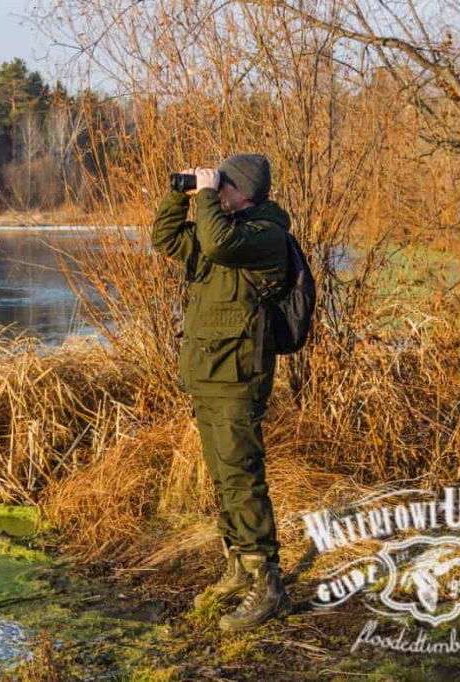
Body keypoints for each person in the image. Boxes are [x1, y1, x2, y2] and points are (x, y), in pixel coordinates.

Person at [150, 153, 292, 632]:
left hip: (238, 377)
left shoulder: (263, 234)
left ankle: (268, 585)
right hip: (208, 375)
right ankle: (237, 568)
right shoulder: (222, 229)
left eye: (224, 184)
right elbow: (166, 238)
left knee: (242, 477)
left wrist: (207, 196)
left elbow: (215, 240)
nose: (216, 191)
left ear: (243, 191)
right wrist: (179, 194)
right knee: (221, 477)